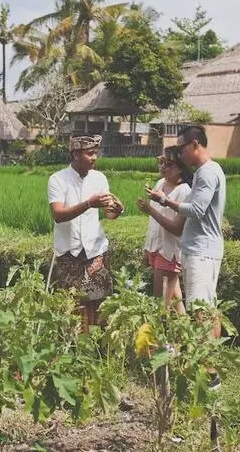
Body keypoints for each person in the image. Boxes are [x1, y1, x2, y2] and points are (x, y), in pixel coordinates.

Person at [146, 125, 226, 338]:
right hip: (198, 249)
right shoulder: (206, 171)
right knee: (205, 305)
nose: (180, 154)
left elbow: (197, 210)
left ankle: (208, 364)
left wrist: (164, 200)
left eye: (182, 149)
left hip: (202, 249)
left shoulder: (207, 172)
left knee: (202, 309)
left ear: (195, 144)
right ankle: (209, 362)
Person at [48, 134, 123, 331]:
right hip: (69, 253)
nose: (95, 157)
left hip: (95, 251)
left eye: (96, 153)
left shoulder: (99, 178)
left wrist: (116, 210)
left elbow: (108, 214)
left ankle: (100, 352)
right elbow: (58, 215)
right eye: (90, 153)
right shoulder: (58, 179)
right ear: (75, 154)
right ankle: (76, 352)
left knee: (99, 303)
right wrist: (89, 203)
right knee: (73, 305)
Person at [136, 146, 193, 313]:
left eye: (168, 164)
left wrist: (150, 210)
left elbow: (177, 229)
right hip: (157, 247)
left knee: (160, 304)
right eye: (161, 162)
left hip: (169, 251)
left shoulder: (185, 192)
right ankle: (188, 336)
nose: (162, 167)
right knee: (175, 300)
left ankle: (161, 338)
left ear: (181, 168)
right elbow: (155, 225)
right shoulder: (161, 183)